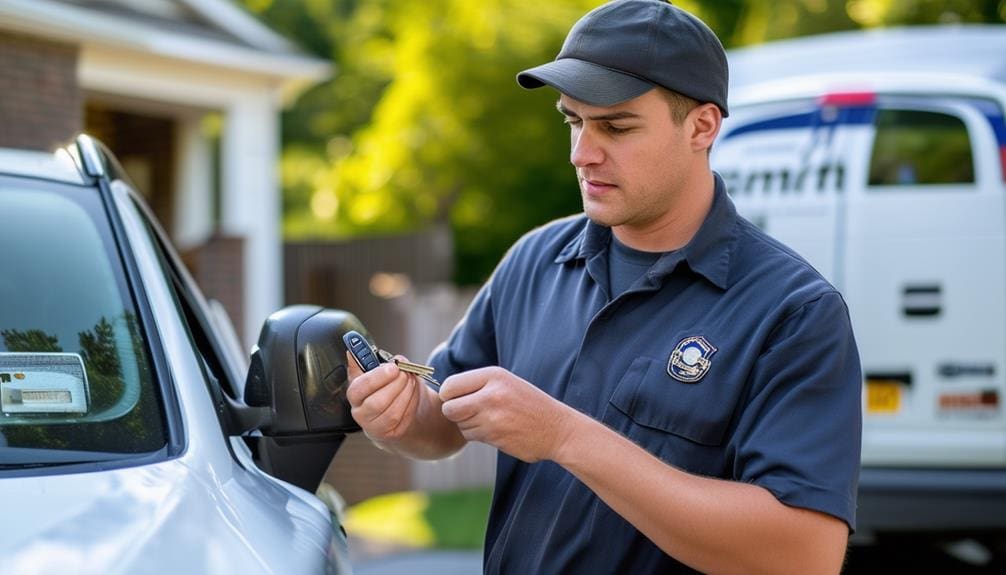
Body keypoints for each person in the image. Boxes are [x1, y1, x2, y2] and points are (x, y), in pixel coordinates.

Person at [346, 1, 862, 573]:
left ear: (702, 126)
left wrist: (564, 436)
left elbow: (804, 555)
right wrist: (397, 417)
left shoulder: (794, 312)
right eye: (573, 121)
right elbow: (439, 424)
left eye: (615, 126)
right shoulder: (536, 260)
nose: (581, 154)